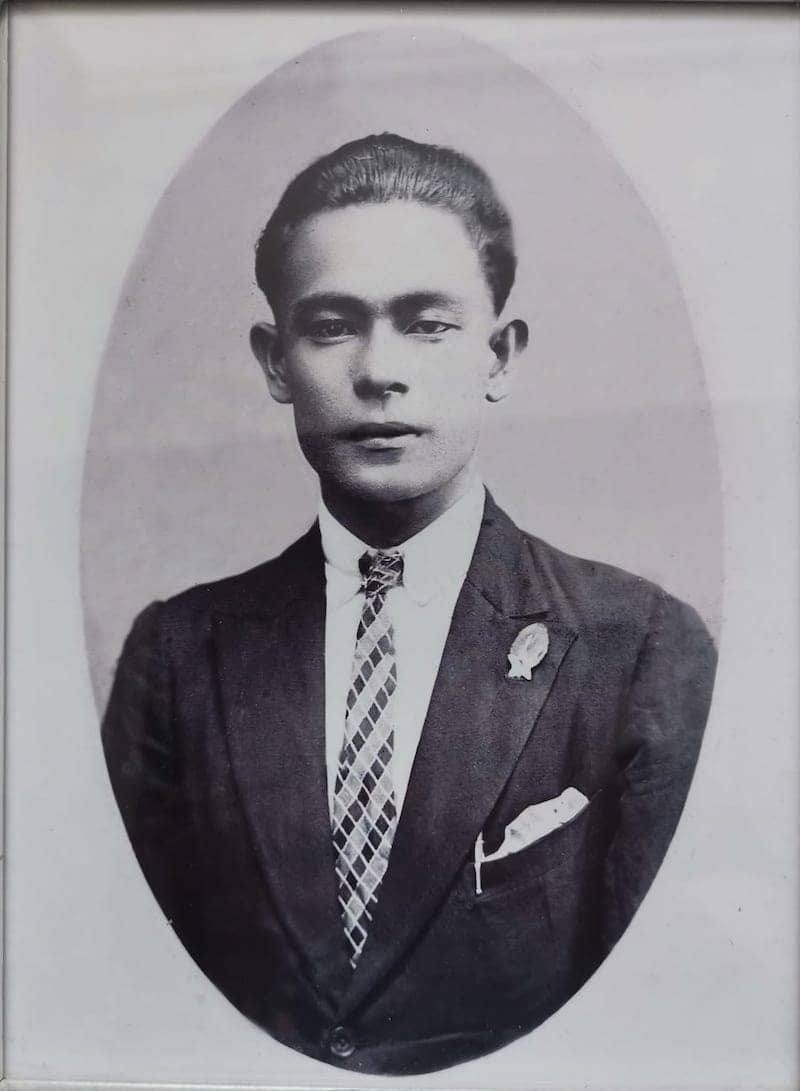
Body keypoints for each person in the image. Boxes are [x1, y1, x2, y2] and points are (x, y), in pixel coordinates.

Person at [102, 133, 717, 1076]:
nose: (378, 370)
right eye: (331, 325)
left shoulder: (638, 648)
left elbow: (656, 1023)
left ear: (499, 355)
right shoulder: (178, 656)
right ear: (275, 361)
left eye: (427, 324)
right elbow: (127, 1000)